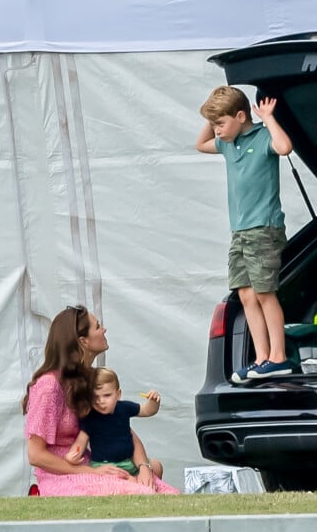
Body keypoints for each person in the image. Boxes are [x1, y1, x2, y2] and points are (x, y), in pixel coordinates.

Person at [22, 305, 180, 495]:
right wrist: (89, 471)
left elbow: (122, 429)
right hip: (62, 475)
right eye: (97, 326)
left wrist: (144, 466)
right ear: (83, 341)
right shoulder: (49, 386)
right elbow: (36, 455)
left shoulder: (89, 380)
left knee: (169, 492)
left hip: (94, 466)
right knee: (145, 493)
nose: (104, 329)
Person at [196, 85, 293, 384]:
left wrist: (268, 118)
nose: (217, 131)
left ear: (241, 116)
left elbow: (284, 147)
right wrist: (213, 114)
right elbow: (201, 144)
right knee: (245, 293)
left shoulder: (263, 136)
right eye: (215, 125)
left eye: (221, 124)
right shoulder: (228, 143)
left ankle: (279, 357)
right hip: (239, 231)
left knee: (265, 292)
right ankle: (261, 356)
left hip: (263, 228)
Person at [65, 367, 164, 482]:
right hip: (104, 467)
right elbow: (80, 442)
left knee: (156, 466)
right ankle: (133, 483)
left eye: (106, 395)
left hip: (128, 462)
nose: (100, 401)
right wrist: (71, 456)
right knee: (127, 481)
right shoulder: (90, 417)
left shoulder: (124, 408)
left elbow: (147, 411)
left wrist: (154, 401)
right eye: (95, 397)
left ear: (118, 394)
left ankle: (137, 482)